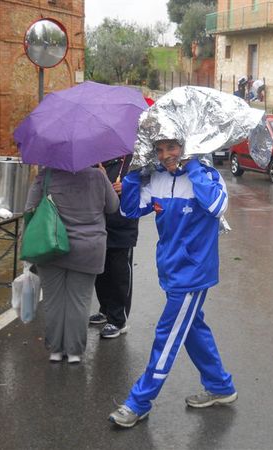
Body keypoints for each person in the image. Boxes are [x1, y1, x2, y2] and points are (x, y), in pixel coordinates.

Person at [108, 139, 237, 428]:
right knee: (192, 327)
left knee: (167, 335)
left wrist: (192, 166)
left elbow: (217, 206)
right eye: (160, 149)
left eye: (172, 148)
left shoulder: (207, 176)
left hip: (193, 275)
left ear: (187, 147)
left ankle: (139, 402)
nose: (166, 156)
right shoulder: (157, 178)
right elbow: (130, 211)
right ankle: (220, 386)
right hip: (170, 270)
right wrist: (133, 175)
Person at [24, 166, 119, 364]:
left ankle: (56, 351)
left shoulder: (46, 176)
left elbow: (29, 208)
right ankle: (74, 352)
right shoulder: (98, 176)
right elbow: (112, 207)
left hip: (50, 245)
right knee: (80, 300)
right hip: (89, 247)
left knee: (53, 300)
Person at [89, 155, 139, 339]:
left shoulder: (134, 161)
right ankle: (105, 310)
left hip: (123, 224)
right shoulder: (96, 158)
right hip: (98, 222)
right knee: (100, 271)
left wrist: (128, 187)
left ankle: (119, 320)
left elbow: (149, 185)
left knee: (119, 273)